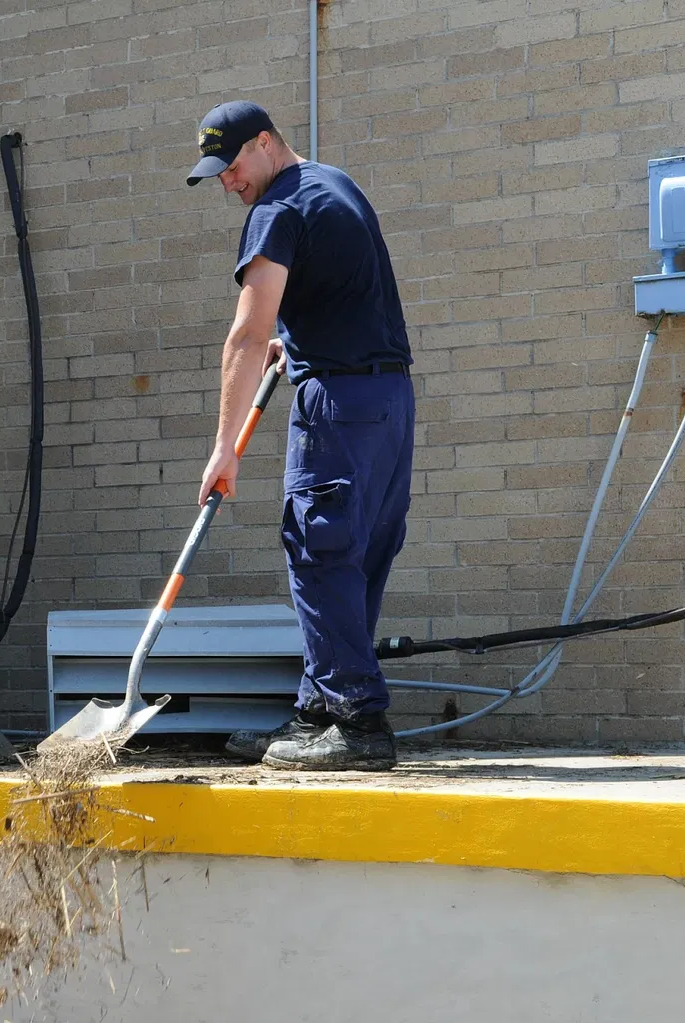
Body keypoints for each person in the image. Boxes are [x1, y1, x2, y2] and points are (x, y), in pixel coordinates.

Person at [186, 101, 414, 771]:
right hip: (387, 399)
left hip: (338, 406)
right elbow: (341, 292)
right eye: (216, 175)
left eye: (231, 167)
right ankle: (319, 709)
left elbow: (247, 333)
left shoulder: (275, 210)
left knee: (318, 551)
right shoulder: (335, 184)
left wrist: (224, 447)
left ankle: (358, 723)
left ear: (264, 144)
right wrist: (301, 340)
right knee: (357, 555)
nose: (228, 182)